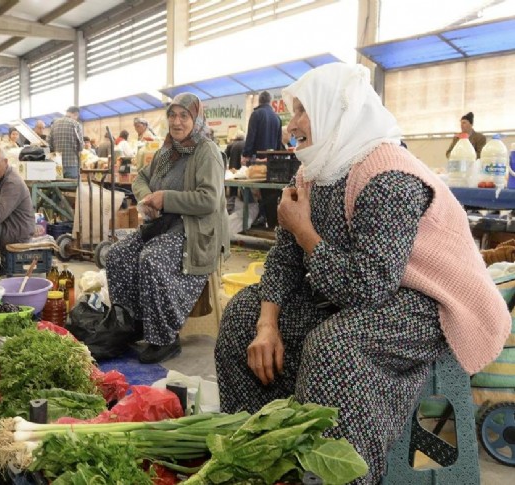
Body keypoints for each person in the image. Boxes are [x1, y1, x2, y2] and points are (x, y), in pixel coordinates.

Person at [215, 63, 510, 484]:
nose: (291, 124)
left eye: (302, 111)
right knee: (244, 314)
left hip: (427, 304)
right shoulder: (316, 169)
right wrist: (267, 324)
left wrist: (305, 232)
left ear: (337, 112)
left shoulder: (388, 175)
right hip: (353, 291)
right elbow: (284, 255)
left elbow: (370, 285)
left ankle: (339, 475)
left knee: (335, 346)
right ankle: (258, 459)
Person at [105, 92, 229, 364]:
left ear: (196, 118)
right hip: (164, 224)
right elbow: (140, 178)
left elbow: (209, 200)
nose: (177, 121)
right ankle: (134, 323)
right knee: (115, 256)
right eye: (172, 115)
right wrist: (147, 197)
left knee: (152, 259)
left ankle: (165, 338)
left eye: (184, 115)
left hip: (194, 230)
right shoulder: (166, 151)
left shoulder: (206, 152)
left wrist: (166, 199)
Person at [241, 90, 282, 164]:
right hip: (272, 160)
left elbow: (251, 136)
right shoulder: (277, 118)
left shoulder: (256, 114)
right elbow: (279, 142)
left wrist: (246, 154)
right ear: (270, 101)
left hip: (257, 159)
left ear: (259, 101)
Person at [49, 106, 84, 179]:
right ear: (75, 114)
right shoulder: (76, 124)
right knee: (72, 188)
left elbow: (49, 144)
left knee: (58, 188)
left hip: (57, 164)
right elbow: (80, 146)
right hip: (72, 164)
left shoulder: (55, 124)